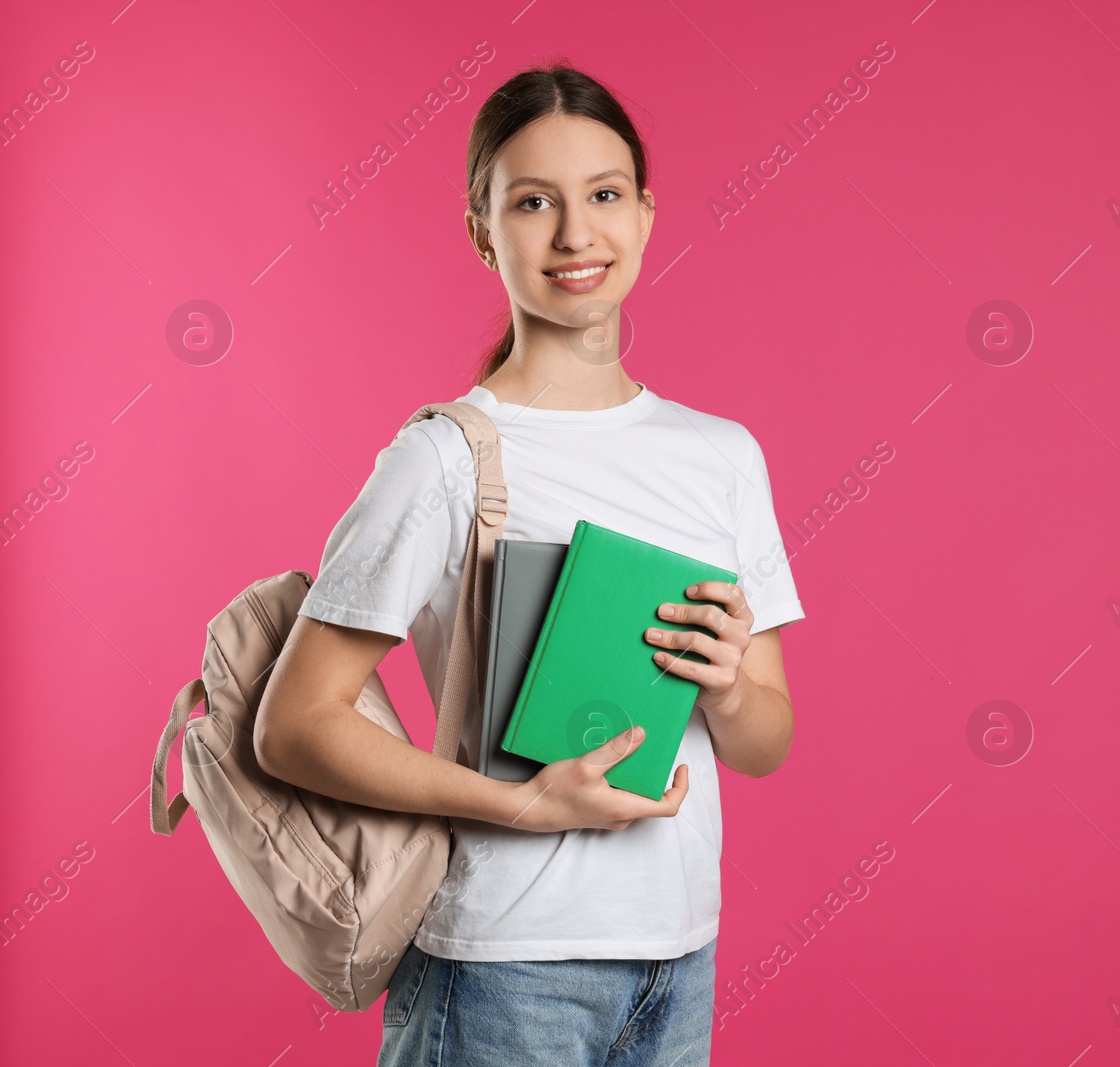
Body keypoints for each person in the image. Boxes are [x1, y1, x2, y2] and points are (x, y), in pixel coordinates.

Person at [254, 62, 805, 1066]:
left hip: (676, 958)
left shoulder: (721, 454)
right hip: (500, 966)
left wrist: (726, 686)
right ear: (482, 229)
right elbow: (294, 726)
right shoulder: (444, 457)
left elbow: (764, 740)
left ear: (644, 214)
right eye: (532, 202)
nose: (574, 235)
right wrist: (522, 802)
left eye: (602, 195)